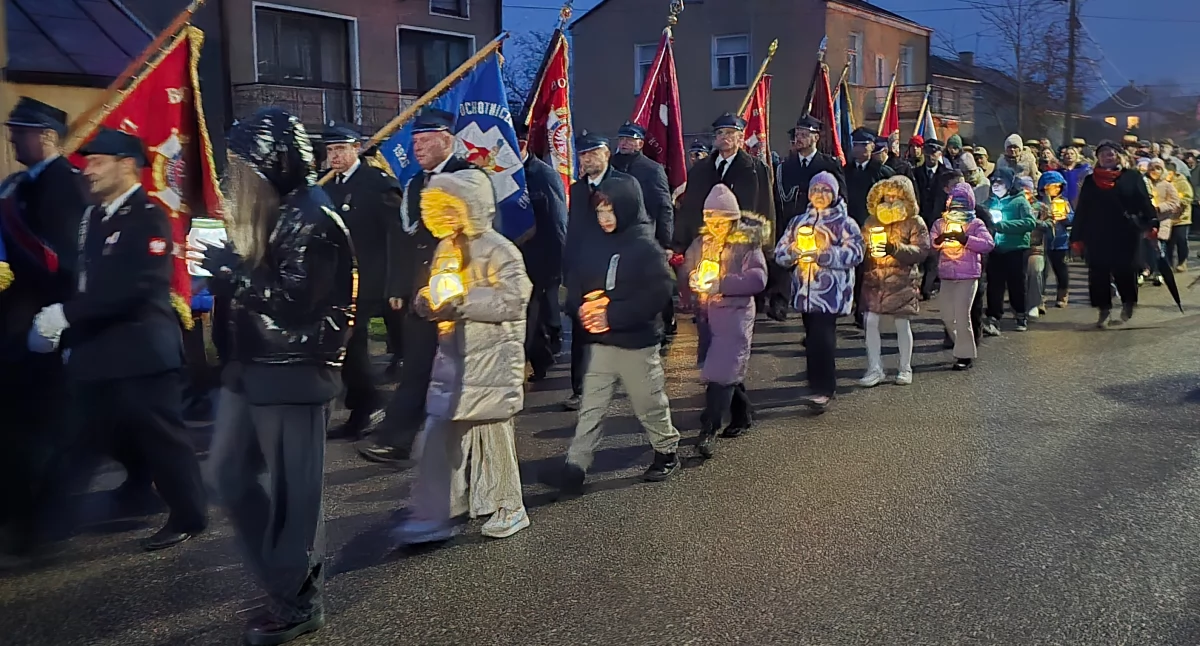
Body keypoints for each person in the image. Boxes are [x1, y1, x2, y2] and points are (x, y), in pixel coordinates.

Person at [197, 107, 353, 644]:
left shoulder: (313, 215)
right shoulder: (280, 206)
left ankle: (297, 598)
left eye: (243, 165)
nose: (233, 176)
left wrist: (231, 271)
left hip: (294, 368)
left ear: (271, 162)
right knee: (227, 473)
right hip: (254, 364)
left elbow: (294, 302)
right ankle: (283, 576)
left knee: (294, 496)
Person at [31, 127, 208, 552]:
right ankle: (45, 521)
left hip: (142, 350)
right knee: (81, 434)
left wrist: (65, 316)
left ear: (127, 165)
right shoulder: (95, 216)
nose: (87, 170)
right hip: (98, 348)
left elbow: (139, 286)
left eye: (97, 161)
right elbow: (89, 281)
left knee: (163, 439)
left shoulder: (148, 216)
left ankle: (189, 515)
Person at [392, 168, 533, 543]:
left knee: (492, 437)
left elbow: (515, 298)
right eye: (444, 210)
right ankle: (440, 505)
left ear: (474, 207)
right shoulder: (445, 248)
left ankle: (508, 505)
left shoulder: (499, 249)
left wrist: (464, 302)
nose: (450, 218)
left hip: (491, 359)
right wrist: (427, 301)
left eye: (456, 208)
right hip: (454, 356)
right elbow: (437, 288)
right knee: (442, 432)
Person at [359, 108, 477, 464]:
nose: (417, 147)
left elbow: (478, 237)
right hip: (422, 292)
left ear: (446, 138)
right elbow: (404, 241)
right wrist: (400, 287)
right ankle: (397, 439)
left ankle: (464, 446)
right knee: (417, 365)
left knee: (460, 372)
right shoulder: (413, 184)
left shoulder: (468, 178)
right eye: (414, 141)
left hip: (458, 291)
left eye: (424, 140)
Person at [0, 97, 90, 556]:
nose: (12, 136)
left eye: (20, 130)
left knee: (41, 428)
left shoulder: (63, 186)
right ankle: (20, 514)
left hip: (44, 323)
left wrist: (63, 322)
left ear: (48, 136)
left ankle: (39, 522)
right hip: (16, 321)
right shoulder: (19, 185)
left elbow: (64, 262)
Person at [555, 169, 680, 491]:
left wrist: (614, 314)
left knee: (648, 403)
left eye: (610, 209)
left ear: (626, 207)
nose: (604, 217)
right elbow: (579, 277)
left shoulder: (644, 247)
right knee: (591, 408)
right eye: (599, 210)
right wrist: (579, 305)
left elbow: (659, 292)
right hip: (602, 343)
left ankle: (666, 449)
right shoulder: (595, 243)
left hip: (636, 344)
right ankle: (575, 465)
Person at [321, 123, 404, 439]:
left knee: (351, 340)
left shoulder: (377, 184)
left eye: (340, 149)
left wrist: (395, 284)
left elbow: (396, 237)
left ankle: (368, 402)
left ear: (356, 148)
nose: (335, 157)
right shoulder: (326, 186)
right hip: (336, 279)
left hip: (370, 278)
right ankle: (362, 404)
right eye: (330, 151)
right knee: (343, 343)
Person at [683, 184, 768, 458]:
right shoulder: (701, 243)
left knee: (720, 373)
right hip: (708, 314)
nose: (715, 225)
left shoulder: (746, 243)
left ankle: (709, 428)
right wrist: (692, 280)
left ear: (732, 219)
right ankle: (743, 415)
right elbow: (688, 267)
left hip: (735, 314)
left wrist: (721, 283)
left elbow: (758, 278)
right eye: (710, 218)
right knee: (726, 370)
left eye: (721, 219)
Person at [774, 171, 864, 413]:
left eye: (825, 190)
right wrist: (794, 251)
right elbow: (780, 253)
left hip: (830, 293)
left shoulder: (845, 223)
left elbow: (856, 253)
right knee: (811, 338)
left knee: (822, 339)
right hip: (805, 291)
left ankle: (824, 388)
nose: (820, 195)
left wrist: (824, 255)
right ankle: (816, 384)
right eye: (816, 190)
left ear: (834, 194)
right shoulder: (798, 221)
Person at [679, 114, 776, 316]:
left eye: (731, 133)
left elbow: (765, 207)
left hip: (739, 243)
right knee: (706, 299)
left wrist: (765, 244)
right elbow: (690, 207)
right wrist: (681, 241)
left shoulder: (755, 168)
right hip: (706, 241)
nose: (725, 137)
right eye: (720, 133)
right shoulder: (701, 169)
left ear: (741, 138)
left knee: (735, 299)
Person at [560, 131, 626, 411]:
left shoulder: (623, 185)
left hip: (613, 269)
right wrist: (568, 273)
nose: (587, 159)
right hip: (582, 273)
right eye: (583, 155)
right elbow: (573, 232)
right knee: (580, 331)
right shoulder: (577, 189)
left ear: (606, 154)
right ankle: (580, 389)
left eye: (593, 153)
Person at [1070, 140, 1157, 328]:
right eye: (1102, 154)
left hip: (1125, 233)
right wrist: (1076, 237)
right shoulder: (1090, 181)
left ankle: (1128, 303)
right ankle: (1104, 309)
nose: (1106, 157)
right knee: (1098, 273)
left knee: (1125, 271)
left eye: (1110, 153)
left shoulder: (1132, 177)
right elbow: (1082, 210)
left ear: (1118, 156)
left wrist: (1151, 222)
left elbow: (1144, 202)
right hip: (1097, 234)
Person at [857, 176, 930, 387]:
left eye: (895, 195)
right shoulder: (872, 221)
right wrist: (864, 250)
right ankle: (874, 368)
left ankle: (905, 367)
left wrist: (895, 249)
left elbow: (922, 250)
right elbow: (861, 244)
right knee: (870, 321)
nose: (890, 199)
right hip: (876, 279)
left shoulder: (914, 222)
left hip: (902, 280)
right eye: (886, 195)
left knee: (901, 322)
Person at [773, 115, 845, 320]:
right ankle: (781, 301)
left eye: (805, 135)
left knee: (815, 272)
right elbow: (779, 197)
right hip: (793, 223)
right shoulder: (786, 166)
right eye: (798, 135)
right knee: (787, 262)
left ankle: (816, 312)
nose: (800, 139)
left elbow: (841, 197)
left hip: (820, 226)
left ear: (816, 138)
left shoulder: (828, 164)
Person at [611, 121, 676, 344]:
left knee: (654, 282)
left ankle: (664, 323)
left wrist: (666, 242)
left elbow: (664, 206)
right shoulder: (610, 166)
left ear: (640, 143)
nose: (625, 143)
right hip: (616, 235)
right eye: (621, 139)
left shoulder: (652, 169)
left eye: (630, 139)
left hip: (647, 234)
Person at [514, 121, 567, 381]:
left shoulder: (543, 175)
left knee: (529, 314)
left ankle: (523, 365)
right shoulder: (500, 174)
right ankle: (542, 357)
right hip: (509, 259)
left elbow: (557, 222)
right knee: (525, 314)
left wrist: (556, 265)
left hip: (537, 260)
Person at [931, 183, 995, 370]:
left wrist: (965, 240)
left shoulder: (975, 224)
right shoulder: (940, 223)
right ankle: (963, 344)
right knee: (947, 315)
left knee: (962, 313)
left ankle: (964, 356)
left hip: (968, 275)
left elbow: (988, 244)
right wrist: (940, 240)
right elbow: (931, 243)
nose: (957, 208)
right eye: (954, 204)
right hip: (947, 274)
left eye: (962, 204)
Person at [844, 126, 895, 326]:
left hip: (875, 228)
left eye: (863, 145)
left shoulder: (882, 172)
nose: (859, 149)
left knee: (872, 271)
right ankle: (857, 305)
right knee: (855, 271)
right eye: (855, 145)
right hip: (852, 228)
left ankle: (868, 309)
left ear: (872, 147)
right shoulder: (846, 171)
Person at [982, 167, 1036, 332]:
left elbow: (1030, 222)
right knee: (994, 284)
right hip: (995, 249)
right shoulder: (989, 203)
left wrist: (1003, 226)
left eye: (1000, 182)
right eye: (993, 182)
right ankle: (993, 316)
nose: (996, 185)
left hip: (1016, 249)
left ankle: (1020, 314)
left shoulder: (1020, 201)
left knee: (1016, 283)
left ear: (1009, 183)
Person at [913, 138, 952, 299]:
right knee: (919, 252)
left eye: (934, 152)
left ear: (940, 154)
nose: (931, 156)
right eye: (928, 152)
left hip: (938, 218)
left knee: (934, 255)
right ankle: (920, 285)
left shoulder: (946, 174)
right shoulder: (916, 173)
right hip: (920, 218)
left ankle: (927, 288)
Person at [1036, 171, 1074, 308]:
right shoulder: (1038, 203)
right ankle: (1039, 297)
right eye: (1051, 186)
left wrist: (1065, 218)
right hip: (1041, 241)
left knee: (1061, 270)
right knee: (1041, 271)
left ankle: (1062, 293)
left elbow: (1072, 218)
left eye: (1058, 186)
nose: (1055, 190)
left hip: (1060, 242)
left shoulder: (1064, 202)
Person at [1019, 175, 1055, 318]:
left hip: (1035, 247)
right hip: (1015, 246)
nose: (1024, 192)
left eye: (1027, 189)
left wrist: (1037, 223)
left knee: (1035, 270)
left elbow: (1051, 227)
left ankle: (1034, 304)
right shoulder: (1011, 205)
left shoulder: (1041, 207)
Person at [1167, 162, 1194, 272]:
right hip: (1168, 217)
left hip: (1182, 218)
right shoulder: (1162, 182)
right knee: (1169, 242)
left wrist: (1180, 204)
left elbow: (1188, 197)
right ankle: (1168, 264)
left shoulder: (1182, 182)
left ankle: (1182, 261)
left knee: (1181, 239)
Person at [1058, 144, 1091, 208]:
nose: (1069, 155)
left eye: (1072, 153)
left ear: (1076, 156)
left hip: (1080, 198)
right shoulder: (1060, 171)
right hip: (1064, 200)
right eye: (1067, 154)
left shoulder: (1084, 169)